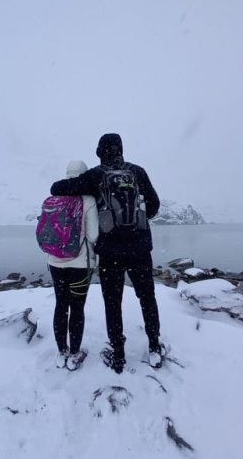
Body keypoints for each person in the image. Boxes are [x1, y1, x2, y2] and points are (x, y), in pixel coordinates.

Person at [50, 133, 162, 373]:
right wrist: (137, 221)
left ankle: (118, 355)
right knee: (147, 298)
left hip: (110, 252)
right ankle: (154, 347)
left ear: (100, 152)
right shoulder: (138, 172)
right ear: (121, 149)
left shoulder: (96, 175)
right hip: (140, 248)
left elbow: (57, 188)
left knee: (113, 303)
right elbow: (154, 205)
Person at [48, 160, 99, 371]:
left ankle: (62, 352)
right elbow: (94, 235)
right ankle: (74, 354)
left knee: (61, 306)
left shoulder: (54, 197)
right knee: (77, 308)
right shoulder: (87, 200)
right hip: (79, 264)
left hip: (55, 262)